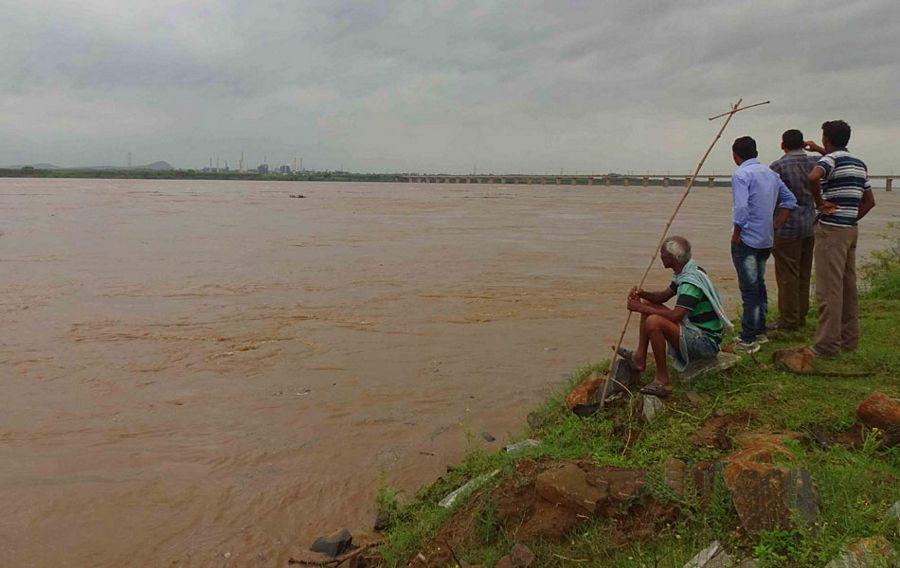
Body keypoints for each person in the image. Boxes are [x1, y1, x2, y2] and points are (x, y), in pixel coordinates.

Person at [621, 236, 733, 398]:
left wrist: (639, 307)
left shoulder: (690, 283)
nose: (660, 256)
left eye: (663, 253)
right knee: (648, 306)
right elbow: (662, 297)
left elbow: (675, 316)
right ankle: (639, 358)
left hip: (705, 343)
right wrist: (642, 294)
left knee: (653, 321)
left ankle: (663, 381)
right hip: (695, 332)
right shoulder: (685, 272)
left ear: (673, 258)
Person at [803, 120, 876, 357]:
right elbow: (869, 202)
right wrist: (850, 218)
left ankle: (826, 345)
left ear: (826, 138)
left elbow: (813, 178)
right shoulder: (858, 163)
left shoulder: (829, 161)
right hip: (850, 230)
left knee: (829, 289)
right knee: (847, 286)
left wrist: (820, 204)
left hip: (831, 231)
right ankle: (848, 339)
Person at [730, 136, 797, 353]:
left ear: (735, 155)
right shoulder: (771, 174)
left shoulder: (741, 174)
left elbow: (741, 209)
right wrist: (774, 225)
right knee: (759, 285)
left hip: (747, 240)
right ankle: (760, 331)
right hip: (766, 239)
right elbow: (790, 201)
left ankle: (748, 337)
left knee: (749, 288)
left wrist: (737, 232)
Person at [769, 130, 819, 331]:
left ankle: (788, 320)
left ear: (783, 145)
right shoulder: (815, 162)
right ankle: (800, 317)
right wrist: (816, 148)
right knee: (804, 273)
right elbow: (835, 158)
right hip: (809, 225)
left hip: (786, 227)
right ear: (803, 144)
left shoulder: (778, 166)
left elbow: (771, 198)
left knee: (787, 276)